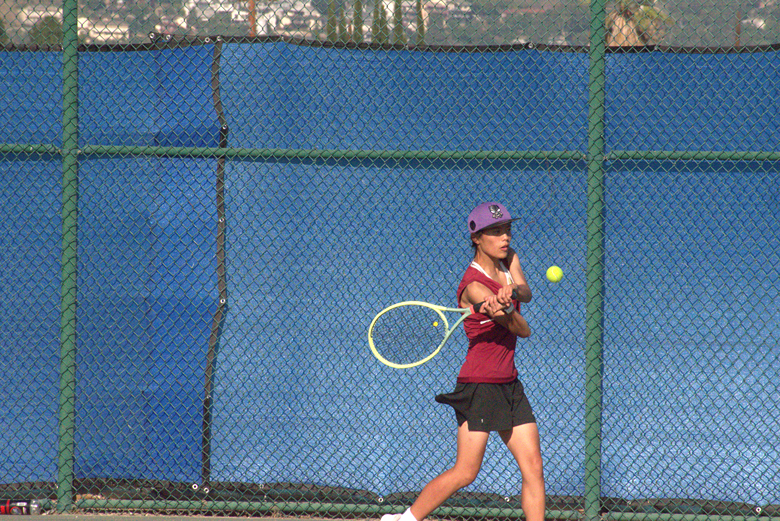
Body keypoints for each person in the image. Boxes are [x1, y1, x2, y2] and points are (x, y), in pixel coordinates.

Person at [382, 201, 545, 521]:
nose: (505, 237)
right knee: (467, 471)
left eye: (507, 229)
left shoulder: (509, 259)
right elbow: (522, 330)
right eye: (496, 231)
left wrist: (512, 293)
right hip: (480, 384)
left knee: (534, 467)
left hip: (509, 383)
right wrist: (506, 309)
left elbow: (525, 291)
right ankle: (404, 520)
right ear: (476, 237)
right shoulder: (473, 287)